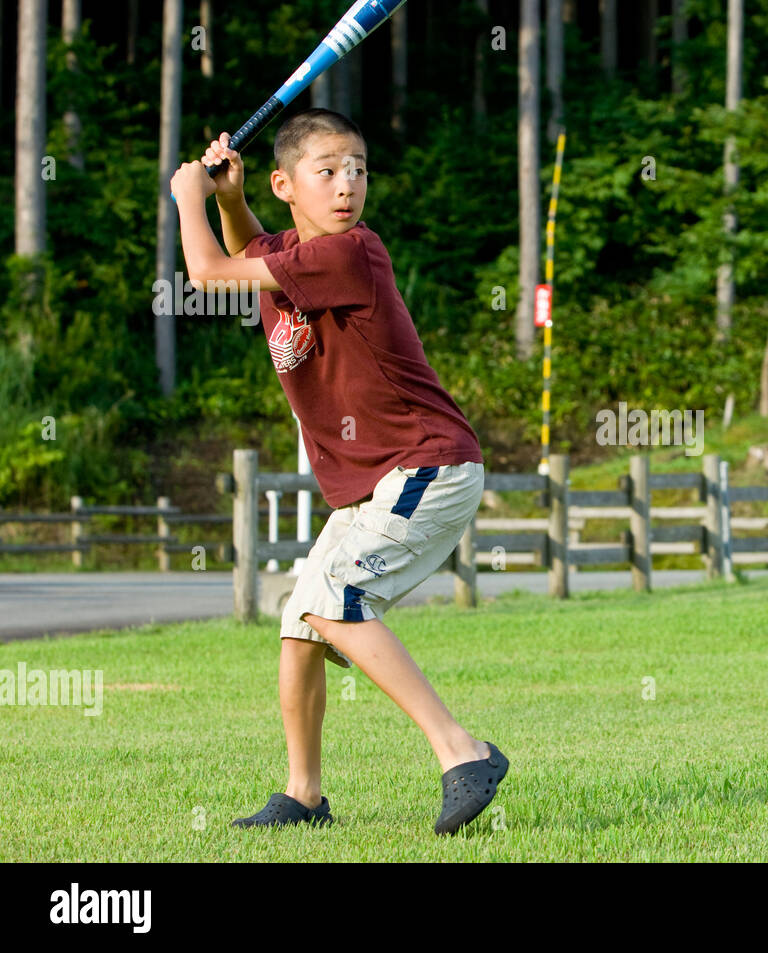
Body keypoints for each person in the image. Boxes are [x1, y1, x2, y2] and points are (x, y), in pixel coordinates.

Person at [170, 108, 507, 835]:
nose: (348, 183)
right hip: (376, 480)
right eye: (328, 171)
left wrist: (186, 194)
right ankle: (303, 795)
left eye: (358, 168)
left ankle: (463, 751)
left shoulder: (349, 252)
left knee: (336, 596)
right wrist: (228, 197)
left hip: (427, 462)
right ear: (285, 183)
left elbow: (207, 270)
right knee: (301, 624)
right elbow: (253, 246)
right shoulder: (295, 251)